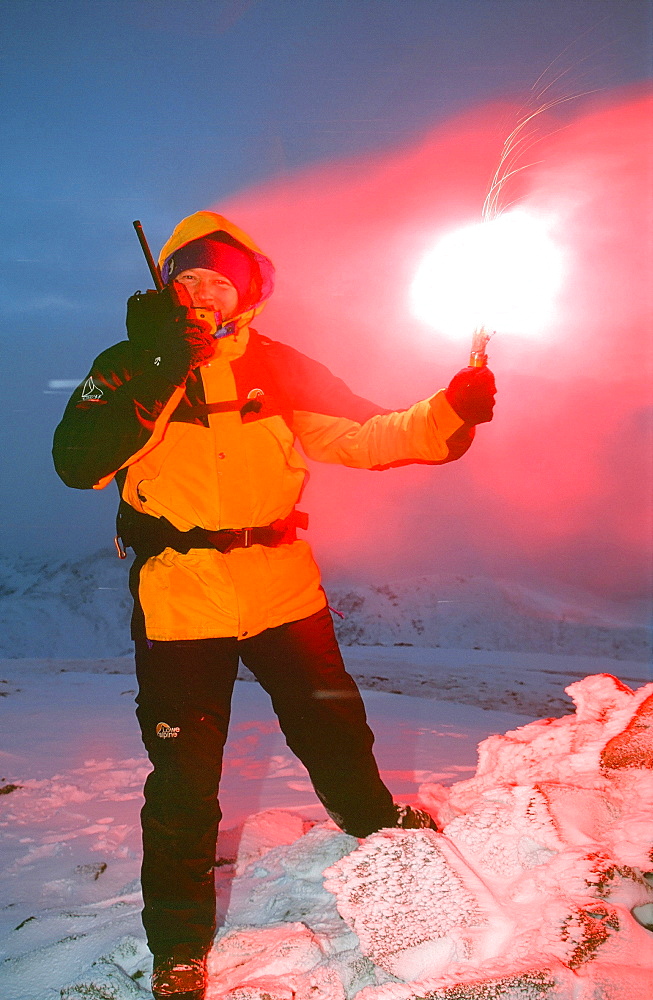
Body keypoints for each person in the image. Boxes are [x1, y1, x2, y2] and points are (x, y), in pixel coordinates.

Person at [53, 211, 496, 1000]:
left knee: (332, 723)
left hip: (283, 585)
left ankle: (370, 823)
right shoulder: (125, 364)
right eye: (186, 280)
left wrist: (450, 411)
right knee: (185, 780)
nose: (201, 295)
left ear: (246, 293)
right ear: (165, 287)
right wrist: (159, 367)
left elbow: (366, 434)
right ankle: (180, 947)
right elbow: (77, 463)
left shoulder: (276, 365)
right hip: (181, 597)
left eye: (218, 281)